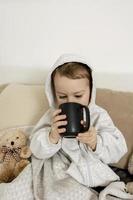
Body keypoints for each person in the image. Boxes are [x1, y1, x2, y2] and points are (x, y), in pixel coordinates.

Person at [30, 54, 127, 189]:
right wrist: (51, 137)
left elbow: (119, 148)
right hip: (60, 171)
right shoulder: (52, 116)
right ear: (53, 93)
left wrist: (95, 142)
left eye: (78, 95)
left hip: (91, 170)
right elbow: (35, 149)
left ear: (91, 91)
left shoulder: (98, 115)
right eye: (62, 96)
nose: (70, 102)